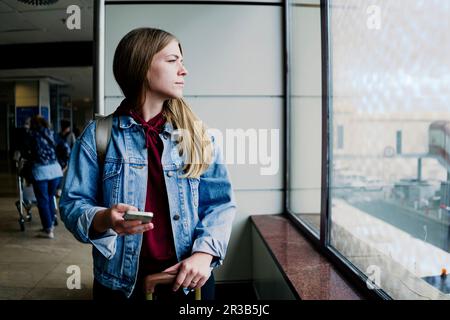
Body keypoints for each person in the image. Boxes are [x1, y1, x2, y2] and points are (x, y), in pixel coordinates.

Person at [59, 27, 236, 300]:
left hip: (191, 284)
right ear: (142, 66)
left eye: (182, 60)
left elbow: (219, 205)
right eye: (172, 60)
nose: (183, 70)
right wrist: (104, 218)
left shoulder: (198, 135)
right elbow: (72, 205)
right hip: (118, 286)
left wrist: (204, 253)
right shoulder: (98, 135)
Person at [24, 115, 63, 239]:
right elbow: (66, 148)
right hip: (56, 171)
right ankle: (50, 224)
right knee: (50, 198)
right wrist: (62, 164)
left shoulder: (31, 135)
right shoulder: (52, 133)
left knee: (43, 201)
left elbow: (25, 152)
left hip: (41, 171)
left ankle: (48, 230)